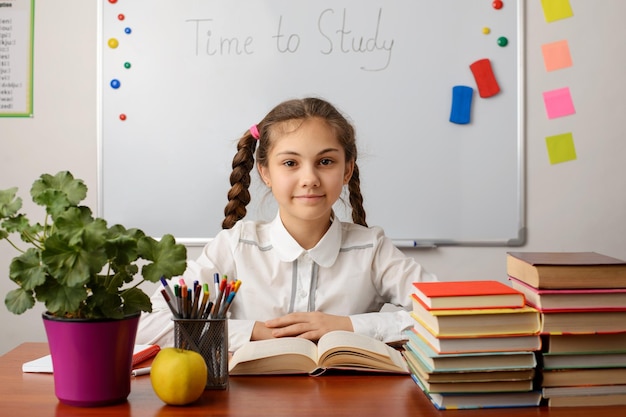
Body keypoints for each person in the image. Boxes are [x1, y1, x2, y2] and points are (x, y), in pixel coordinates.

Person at [136, 97, 436, 351]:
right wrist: (254, 332)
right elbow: (149, 323)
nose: (309, 179)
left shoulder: (372, 249)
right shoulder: (235, 245)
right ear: (265, 172)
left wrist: (348, 326)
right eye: (290, 163)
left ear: (347, 170)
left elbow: (449, 314)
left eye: (326, 162)